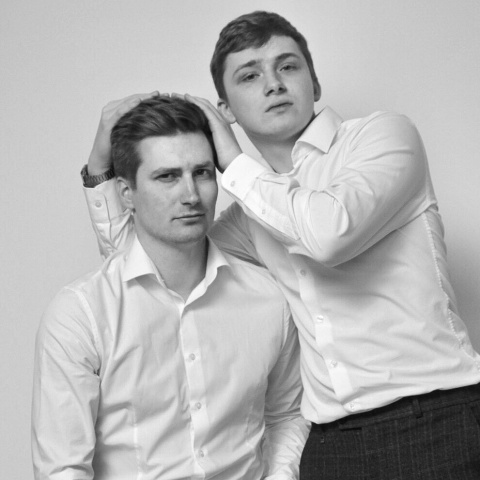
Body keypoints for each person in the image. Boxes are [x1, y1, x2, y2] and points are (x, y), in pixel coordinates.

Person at [82, 11, 480, 479]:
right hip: (330, 444)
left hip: (435, 419)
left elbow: (329, 233)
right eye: (249, 76)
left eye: (287, 66)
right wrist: (100, 168)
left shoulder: (381, 138)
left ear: (315, 83)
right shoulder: (252, 217)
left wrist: (231, 160)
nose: (273, 84)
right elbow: (150, 260)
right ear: (226, 108)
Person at [32, 96, 310, 480]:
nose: (191, 196)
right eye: (167, 177)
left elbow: (286, 415)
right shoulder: (81, 315)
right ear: (125, 193)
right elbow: (63, 469)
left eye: (202, 173)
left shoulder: (269, 300)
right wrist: (97, 170)